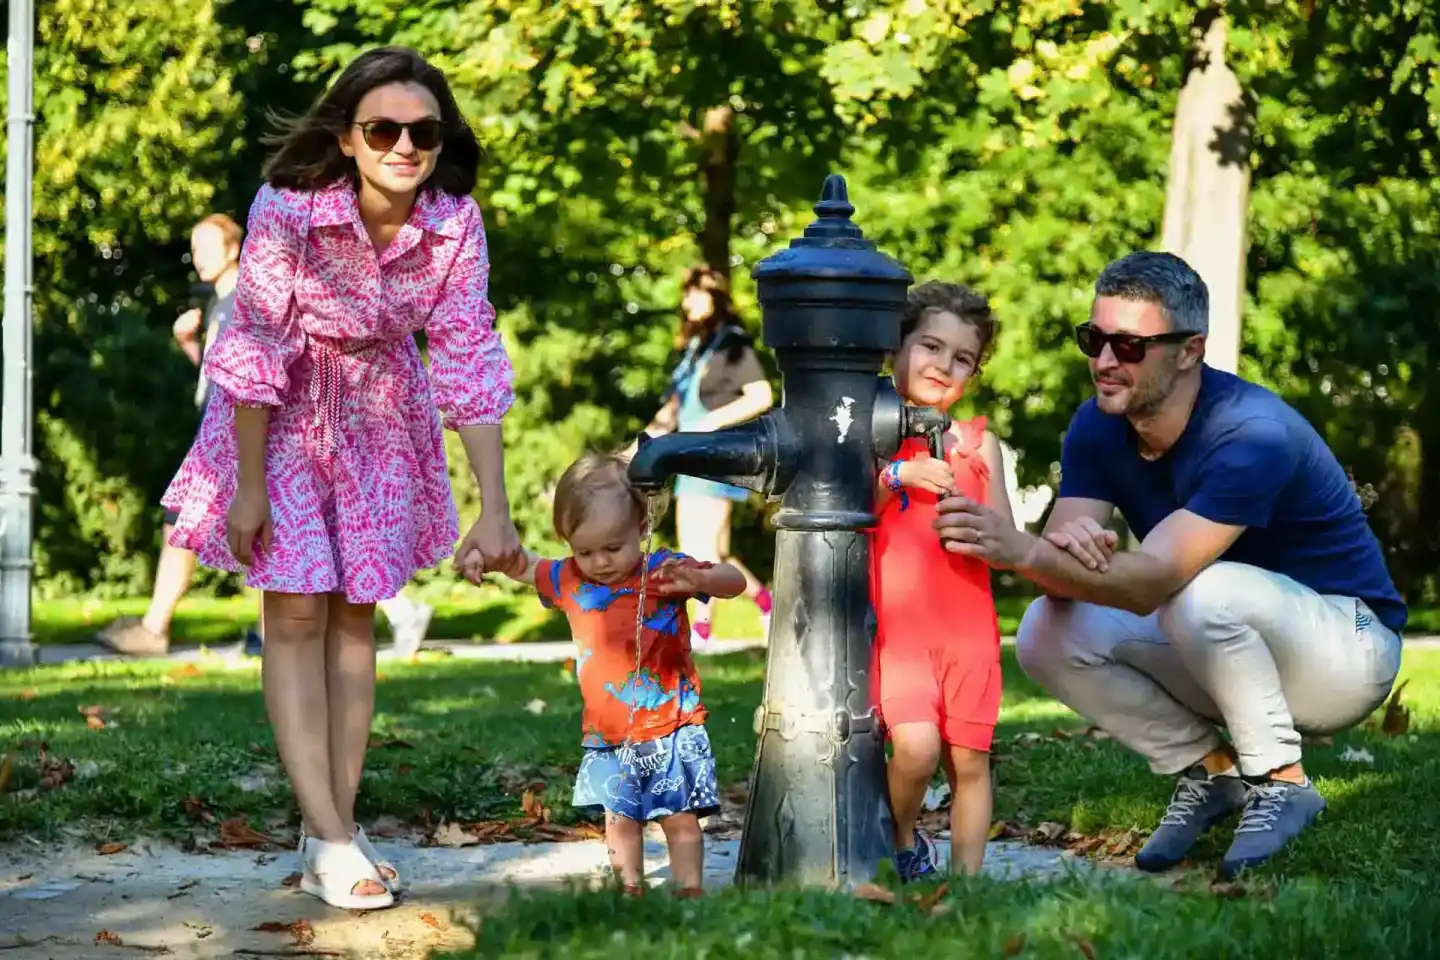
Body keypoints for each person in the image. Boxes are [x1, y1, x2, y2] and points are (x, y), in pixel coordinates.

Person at [160, 46, 522, 910]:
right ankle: (327, 834)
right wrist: (248, 485)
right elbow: (251, 344)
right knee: (292, 609)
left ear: (441, 140)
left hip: (379, 414)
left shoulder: (454, 224)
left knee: (355, 614)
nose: (405, 144)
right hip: (278, 409)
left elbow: (468, 356)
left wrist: (494, 510)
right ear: (348, 136)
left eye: (423, 130)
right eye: (383, 128)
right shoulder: (289, 206)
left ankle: (336, 824)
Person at [932, 251, 1405, 880]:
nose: (1103, 362)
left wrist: (1022, 547)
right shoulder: (1099, 423)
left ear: (1189, 351)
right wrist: (1064, 550)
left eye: (1128, 346)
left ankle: (1282, 780)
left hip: (1348, 647)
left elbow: (1154, 579)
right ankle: (1211, 775)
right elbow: (1063, 559)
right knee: (1048, 629)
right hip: (1224, 629)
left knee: (1198, 590)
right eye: (1094, 339)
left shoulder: (1252, 432)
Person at [479, 453, 745, 896]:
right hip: (608, 734)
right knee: (620, 821)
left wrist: (700, 580)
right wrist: (483, 556)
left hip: (671, 727)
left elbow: (732, 580)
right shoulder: (570, 578)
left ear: (641, 529)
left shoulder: (662, 571)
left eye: (612, 547)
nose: (599, 561)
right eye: (584, 550)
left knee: (679, 819)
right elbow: (520, 565)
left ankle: (690, 890)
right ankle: (629, 889)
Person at [870, 282, 1016, 880]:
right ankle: (900, 841)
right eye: (930, 345)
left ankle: (967, 884)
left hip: (969, 633)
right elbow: (842, 506)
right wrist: (899, 474)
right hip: (900, 631)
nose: (944, 365)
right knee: (917, 747)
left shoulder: (980, 444)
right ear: (895, 348)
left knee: (970, 761)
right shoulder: (870, 435)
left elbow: (1009, 541)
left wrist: (980, 525)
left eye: (962, 358)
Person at [95, 214, 266, 658]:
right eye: (194, 248)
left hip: (233, 434)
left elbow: (252, 377)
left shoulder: (247, 296)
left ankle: (155, 629)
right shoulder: (218, 303)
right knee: (249, 528)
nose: (199, 257)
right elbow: (216, 376)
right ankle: (266, 633)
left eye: (208, 247)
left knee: (184, 519)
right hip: (217, 428)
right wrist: (189, 344)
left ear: (233, 249)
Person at [632, 267, 774, 643]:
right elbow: (673, 409)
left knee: (704, 550)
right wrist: (639, 444)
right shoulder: (693, 351)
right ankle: (764, 601)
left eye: (696, 293)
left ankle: (702, 627)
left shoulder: (733, 346)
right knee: (705, 550)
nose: (687, 301)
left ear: (716, 298)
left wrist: (711, 423)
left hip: (716, 459)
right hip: (688, 457)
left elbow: (761, 396)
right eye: (686, 293)